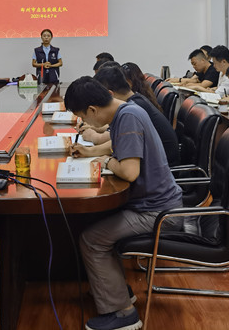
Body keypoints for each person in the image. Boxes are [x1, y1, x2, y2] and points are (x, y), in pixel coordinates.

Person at [64, 76, 182, 330]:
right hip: (153, 203)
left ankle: (122, 314)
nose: (86, 123)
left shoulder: (127, 118)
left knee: (92, 240)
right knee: (95, 222)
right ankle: (116, 291)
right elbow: (116, 148)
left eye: (83, 117)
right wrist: (92, 153)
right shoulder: (126, 111)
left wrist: (106, 162)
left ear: (92, 110)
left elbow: (129, 171)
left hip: (158, 212)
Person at [91, 66, 180, 166]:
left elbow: (120, 145)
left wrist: (93, 149)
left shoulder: (132, 110)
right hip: (153, 161)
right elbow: (120, 141)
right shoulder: (134, 100)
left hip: (161, 164)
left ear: (110, 94)